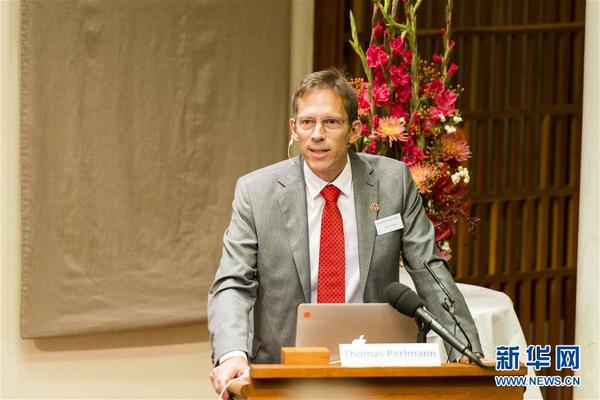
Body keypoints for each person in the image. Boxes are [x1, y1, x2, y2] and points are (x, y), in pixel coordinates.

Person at [208, 69, 483, 397]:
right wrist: (232, 353)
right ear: (293, 128)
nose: (317, 135)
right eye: (307, 122)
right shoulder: (257, 192)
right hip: (282, 372)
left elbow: (429, 269)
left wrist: (467, 350)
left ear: (354, 130)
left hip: (374, 370)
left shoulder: (392, 183)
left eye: (331, 122)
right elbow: (233, 283)